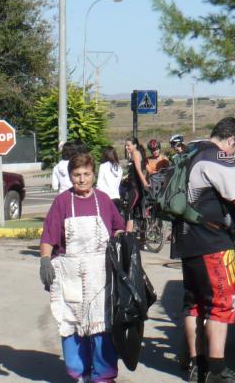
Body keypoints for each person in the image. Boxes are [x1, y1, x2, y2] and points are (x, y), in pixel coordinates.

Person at [171, 117, 235, 383]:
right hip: (213, 242)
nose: (234, 154)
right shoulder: (218, 157)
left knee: (193, 303)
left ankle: (196, 365)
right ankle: (217, 371)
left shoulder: (192, 152)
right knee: (222, 304)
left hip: (186, 240)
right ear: (231, 140)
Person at [39, 152, 125, 382]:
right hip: (70, 275)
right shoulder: (62, 202)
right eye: (77, 175)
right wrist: (45, 260)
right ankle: (80, 373)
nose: (82, 179)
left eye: (86, 174)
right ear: (70, 176)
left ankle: (103, 375)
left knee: (101, 326)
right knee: (73, 324)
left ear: (93, 175)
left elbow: (119, 227)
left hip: (100, 274)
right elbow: (48, 236)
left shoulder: (104, 200)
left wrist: (121, 242)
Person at [124, 137, 148, 234]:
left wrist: (145, 183)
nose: (126, 147)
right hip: (135, 186)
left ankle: (128, 236)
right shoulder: (134, 154)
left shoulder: (135, 153)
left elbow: (138, 170)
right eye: (125, 145)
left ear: (135, 145)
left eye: (128, 145)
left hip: (135, 188)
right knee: (138, 212)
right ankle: (142, 239)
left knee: (129, 212)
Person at [96, 146, 123, 215]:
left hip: (105, 199)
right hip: (117, 198)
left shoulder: (103, 166)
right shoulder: (119, 168)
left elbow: (99, 184)